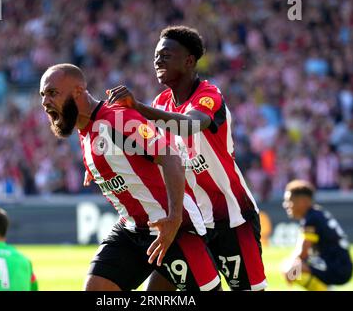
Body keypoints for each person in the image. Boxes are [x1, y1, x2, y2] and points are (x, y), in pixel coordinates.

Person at [107, 25, 267, 291]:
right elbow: (147, 153)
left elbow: (190, 125)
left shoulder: (208, 95)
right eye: (156, 55)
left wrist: (137, 107)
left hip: (231, 219)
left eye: (166, 55)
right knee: (157, 293)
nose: (158, 60)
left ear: (189, 61)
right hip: (190, 223)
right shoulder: (160, 104)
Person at [39, 63, 220, 291]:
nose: (45, 102)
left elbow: (171, 158)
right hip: (133, 228)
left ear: (78, 91)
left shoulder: (116, 119)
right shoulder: (86, 130)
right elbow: (122, 156)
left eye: (52, 93)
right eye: (42, 95)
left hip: (173, 227)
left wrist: (174, 220)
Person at [281, 180, 353, 291]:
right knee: (292, 267)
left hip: (336, 268)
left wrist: (290, 270)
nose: (286, 205)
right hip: (340, 265)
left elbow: (303, 252)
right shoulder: (316, 214)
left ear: (303, 201)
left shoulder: (312, 218)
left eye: (290, 200)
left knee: (289, 269)